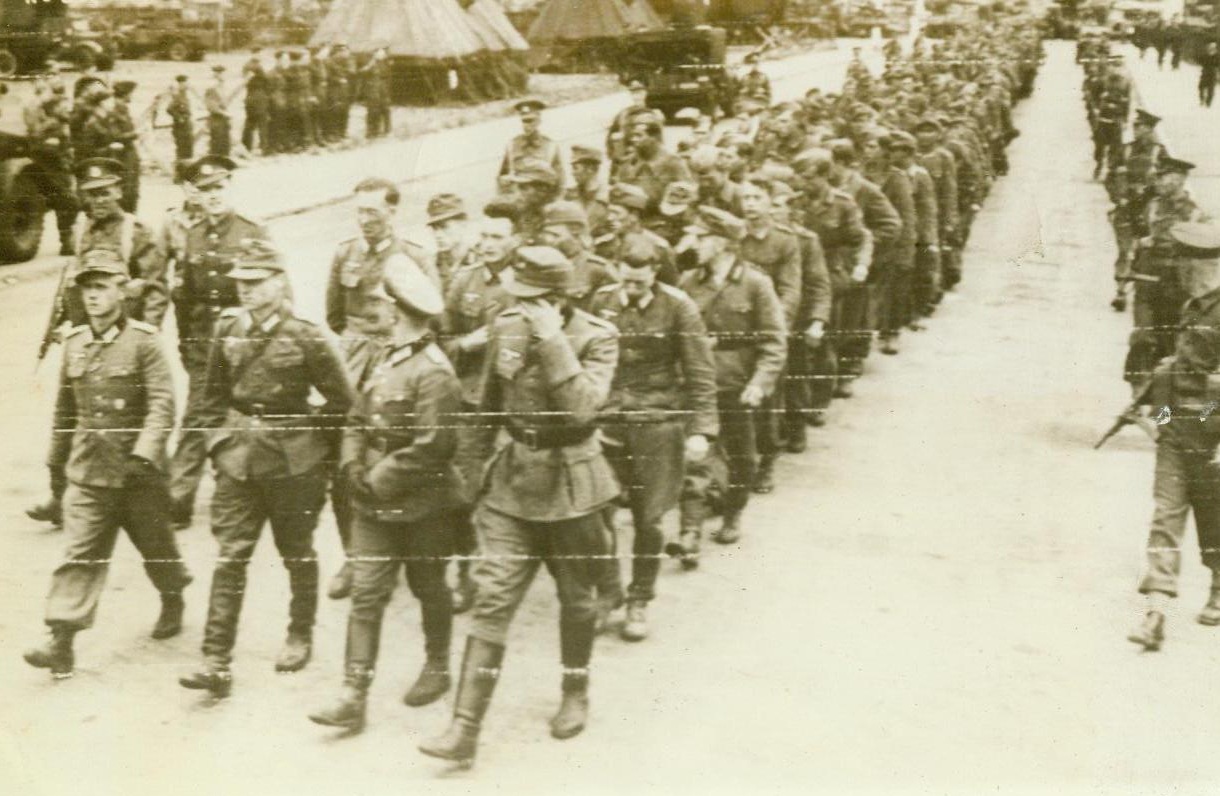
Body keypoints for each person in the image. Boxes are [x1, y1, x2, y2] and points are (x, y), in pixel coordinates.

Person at [419, 246, 620, 766]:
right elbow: (486, 404)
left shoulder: (597, 337)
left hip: (573, 487)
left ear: (560, 299)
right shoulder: (505, 325)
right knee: (492, 600)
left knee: (577, 601)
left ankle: (575, 689)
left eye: (534, 301)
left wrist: (553, 341)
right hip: (512, 487)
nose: (521, 308)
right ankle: (464, 728)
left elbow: (583, 407)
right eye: (519, 298)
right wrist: (466, 477)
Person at [179, 240, 353, 697]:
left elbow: (342, 400)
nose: (246, 291)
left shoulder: (306, 335)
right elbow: (210, 398)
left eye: (256, 283)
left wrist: (310, 440)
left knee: (297, 551)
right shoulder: (228, 328)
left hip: (293, 463)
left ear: (279, 283)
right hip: (237, 460)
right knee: (231, 555)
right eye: (241, 283)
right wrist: (217, 446)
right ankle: (215, 659)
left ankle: (300, 632)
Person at [309, 252, 460, 732]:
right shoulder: (384, 358)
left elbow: (433, 446)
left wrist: (377, 478)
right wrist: (352, 461)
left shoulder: (434, 372)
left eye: (383, 305)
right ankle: (354, 694)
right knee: (367, 596)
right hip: (373, 503)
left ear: (399, 312)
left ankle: (437, 664)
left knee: (429, 587)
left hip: (422, 506)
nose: (377, 312)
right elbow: (357, 415)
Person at [23, 249, 191, 679]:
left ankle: (173, 594)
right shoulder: (76, 343)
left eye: (102, 287)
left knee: (157, 549)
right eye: (87, 288)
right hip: (89, 473)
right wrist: (57, 468)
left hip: (138, 475)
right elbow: (65, 412)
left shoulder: (144, 342)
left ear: (122, 290)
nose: (93, 296)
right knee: (79, 554)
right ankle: (61, 640)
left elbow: (162, 404)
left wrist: (145, 453)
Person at [587, 237, 718, 640]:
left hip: (658, 422)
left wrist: (701, 430)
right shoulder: (603, 301)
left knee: (649, 517)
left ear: (655, 274)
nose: (631, 290)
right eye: (626, 280)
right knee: (596, 514)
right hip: (608, 419)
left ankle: (640, 597)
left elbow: (700, 375)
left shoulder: (679, 307)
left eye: (639, 283)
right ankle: (607, 592)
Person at [323, 177, 439, 599]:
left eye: (373, 211)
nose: (365, 220)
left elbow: (430, 316)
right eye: (359, 211)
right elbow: (335, 314)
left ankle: (396, 554)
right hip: (353, 366)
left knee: (395, 459)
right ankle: (355, 557)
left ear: (393, 212)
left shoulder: (413, 256)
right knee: (345, 464)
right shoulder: (345, 254)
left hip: (397, 364)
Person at [1128, 222, 1220, 651]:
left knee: (1214, 519)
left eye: (1186, 263)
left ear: (1206, 265)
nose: (1180, 271)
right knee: (1165, 520)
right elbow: (1179, 379)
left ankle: (1218, 589)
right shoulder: (1193, 308)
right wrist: (1159, 416)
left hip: (1211, 438)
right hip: (1176, 436)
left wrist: (1207, 425)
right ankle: (1155, 614)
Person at [167, 156, 271, 530]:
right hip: (202, 342)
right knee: (196, 415)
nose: (213, 196)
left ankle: (245, 492)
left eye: (219, 187)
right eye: (205, 189)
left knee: (242, 413)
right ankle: (179, 499)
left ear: (230, 187)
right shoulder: (193, 235)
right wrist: (187, 343)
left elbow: (275, 291)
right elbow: (184, 297)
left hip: (241, 339)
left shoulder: (252, 232)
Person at [677, 207, 786, 546]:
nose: (695, 243)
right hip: (696, 386)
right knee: (695, 454)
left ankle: (732, 513)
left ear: (724, 244)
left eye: (702, 237)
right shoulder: (688, 282)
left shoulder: (755, 284)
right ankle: (691, 527)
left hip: (738, 386)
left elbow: (773, 341)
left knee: (742, 459)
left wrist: (759, 383)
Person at [1124, 156, 1210, 386]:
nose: (1158, 180)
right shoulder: (1152, 205)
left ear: (1179, 180)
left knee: (1170, 347)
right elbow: (1142, 234)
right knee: (1142, 338)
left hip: (1176, 287)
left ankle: (1162, 405)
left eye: (1163, 176)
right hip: (1147, 284)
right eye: (1159, 176)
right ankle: (1137, 394)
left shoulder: (1194, 213)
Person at [500, 97, 564, 187]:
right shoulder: (512, 145)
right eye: (524, 121)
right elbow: (502, 176)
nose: (526, 125)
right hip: (518, 196)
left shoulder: (551, 146)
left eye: (530, 121)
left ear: (539, 121)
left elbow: (560, 181)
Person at [426, 193, 479, 290]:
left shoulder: (479, 259)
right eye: (434, 228)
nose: (437, 234)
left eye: (444, 227)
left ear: (463, 224)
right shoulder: (434, 263)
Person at [567, 145, 611, 237]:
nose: (572, 173)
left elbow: (588, 225)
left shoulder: (606, 195)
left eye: (576, 168)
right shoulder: (570, 194)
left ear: (590, 169)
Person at [110, 81, 141, 212]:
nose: (132, 97)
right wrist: (135, 134)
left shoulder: (123, 109)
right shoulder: (116, 111)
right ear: (125, 94)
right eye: (130, 94)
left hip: (129, 153)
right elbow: (115, 135)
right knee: (127, 188)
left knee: (132, 187)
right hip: (123, 155)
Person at [241, 52, 271, 154]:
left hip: (249, 98)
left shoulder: (246, 66)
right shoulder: (257, 67)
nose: (260, 56)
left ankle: (246, 146)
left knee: (250, 123)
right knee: (262, 123)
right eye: (259, 53)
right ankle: (265, 148)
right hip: (259, 98)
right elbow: (266, 82)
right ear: (255, 54)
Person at [167, 76, 194, 179]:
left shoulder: (185, 96)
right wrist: (179, 118)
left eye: (186, 83)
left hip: (187, 127)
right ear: (179, 85)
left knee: (188, 151)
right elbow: (169, 109)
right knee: (181, 151)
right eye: (182, 84)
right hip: (180, 128)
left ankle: (186, 174)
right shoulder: (177, 96)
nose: (185, 85)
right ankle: (178, 176)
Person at [205, 65, 232, 157]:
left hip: (224, 119)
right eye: (220, 74)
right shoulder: (212, 88)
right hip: (216, 119)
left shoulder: (222, 87)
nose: (222, 76)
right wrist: (223, 113)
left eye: (223, 74)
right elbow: (211, 106)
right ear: (216, 75)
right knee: (217, 144)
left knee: (225, 144)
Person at [1199, 42, 1219, 108]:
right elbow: (1201, 62)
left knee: (1211, 89)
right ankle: (1202, 99)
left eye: (1213, 48)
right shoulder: (1205, 55)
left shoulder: (1217, 56)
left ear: (1215, 49)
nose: (1211, 49)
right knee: (1201, 87)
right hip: (1205, 73)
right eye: (1210, 48)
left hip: (1212, 74)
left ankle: (1208, 102)